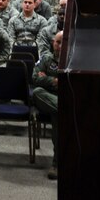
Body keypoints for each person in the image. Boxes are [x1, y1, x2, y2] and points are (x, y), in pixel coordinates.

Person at [32, 31, 62, 180]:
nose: (60, 45)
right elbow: (35, 78)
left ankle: (57, 164)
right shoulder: (46, 59)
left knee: (58, 116)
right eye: (57, 42)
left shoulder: (72, 60)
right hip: (47, 98)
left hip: (59, 101)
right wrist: (55, 81)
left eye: (63, 42)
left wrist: (46, 78)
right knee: (37, 92)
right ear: (53, 43)